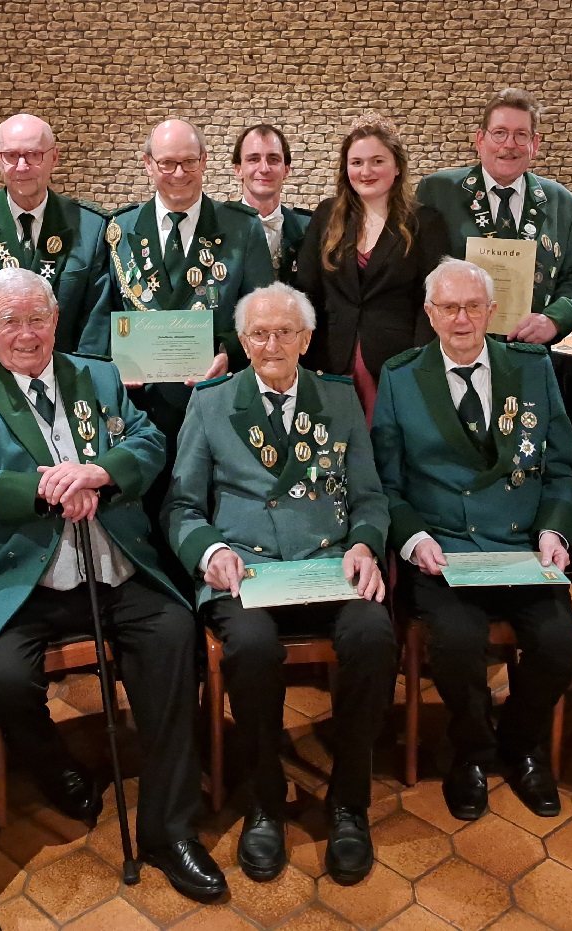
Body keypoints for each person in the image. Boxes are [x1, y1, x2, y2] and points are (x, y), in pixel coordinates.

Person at [0, 268, 225, 901]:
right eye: (10, 321)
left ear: (56, 321)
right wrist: (41, 490)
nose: (26, 333)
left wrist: (99, 474)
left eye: (38, 318)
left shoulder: (101, 375)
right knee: (2, 676)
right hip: (25, 579)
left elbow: (149, 442)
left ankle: (170, 829)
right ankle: (59, 772)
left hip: (115, 565)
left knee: (175, 635)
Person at [164, 283, 395, 886]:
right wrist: (210, 551)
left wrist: (367, 545)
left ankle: (349, 803)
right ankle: (264, 799)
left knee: (373, 635)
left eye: (285, 332)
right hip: (248, 570)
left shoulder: (338, 399)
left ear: (307, 339)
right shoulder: (212, 403)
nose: (272, 344)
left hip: (328, 563)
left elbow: (369, 496)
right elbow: (182, 506)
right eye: (259, 334)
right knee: (251, 647)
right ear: (242, 342)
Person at [371, 258, 572, 820]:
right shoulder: (401, 376)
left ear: (492, 311)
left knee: (562, 644)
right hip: (445, 552)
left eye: (472, 306)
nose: (461, 319)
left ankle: (521, 743)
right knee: (458, 643)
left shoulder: (533, 368)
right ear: (429, 313)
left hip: (521, 548)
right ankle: (470, 750)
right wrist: (412, 538)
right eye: (448, 307)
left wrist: (556, 530)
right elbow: (384, 481)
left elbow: (561, 466)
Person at [80, 119, 276, 446]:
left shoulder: (242, 229)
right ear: (148, 165)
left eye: (188, 162)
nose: (179, 173)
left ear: (204, 161)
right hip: (138, 412)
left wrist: (230, 353)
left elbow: (266, 317)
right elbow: (99, 322)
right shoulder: (119, 230)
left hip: (216, 403)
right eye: (167, 163)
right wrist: (111, 372)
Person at [297, 113, 448, 415]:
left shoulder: (425, 223)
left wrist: (417, 361)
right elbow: (307, 291)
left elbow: (431, 300)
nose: (366, 171)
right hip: (329, 357)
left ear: (396, 167)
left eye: (377, 161)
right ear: (346, 169)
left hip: (396, 362)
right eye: (356, 162)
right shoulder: (327, 215)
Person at [416, 87, 572, 347]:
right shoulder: (438, 192)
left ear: (534, 144)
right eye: (500, 133)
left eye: (521, 135)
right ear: (480, 140)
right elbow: (417, 273)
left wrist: (554, 320)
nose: (509, 145)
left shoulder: (562, 204)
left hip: (527, 353)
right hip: (450, 349)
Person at [0, 113, 113, 348]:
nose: (22, 167)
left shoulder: (90, 226)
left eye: (34, 155)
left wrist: (83, 379)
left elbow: (96, 323)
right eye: (11, 156)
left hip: (66, 374)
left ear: (54, 157)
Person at [232, 123, 312, 283]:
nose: (264, 168)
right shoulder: (217, 225)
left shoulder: (310, 230)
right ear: (238, 169)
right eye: (253, 159)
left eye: (273, 159)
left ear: (287, 170)